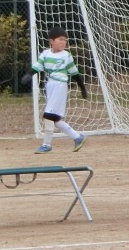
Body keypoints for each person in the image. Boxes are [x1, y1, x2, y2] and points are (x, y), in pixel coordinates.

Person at [32, 26, 88, 154]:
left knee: (48, 115)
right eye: (60, 39)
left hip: (60, 85)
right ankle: (77, 137)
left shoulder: (66, 55)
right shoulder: (45, 54)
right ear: (51, 41)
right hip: (50, 85)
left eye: (65, 40)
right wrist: (28, 75)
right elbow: (37, 67)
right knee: (55, 118)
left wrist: (82, 88)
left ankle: (46, 145)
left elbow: (74, 73)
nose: (63, 42)